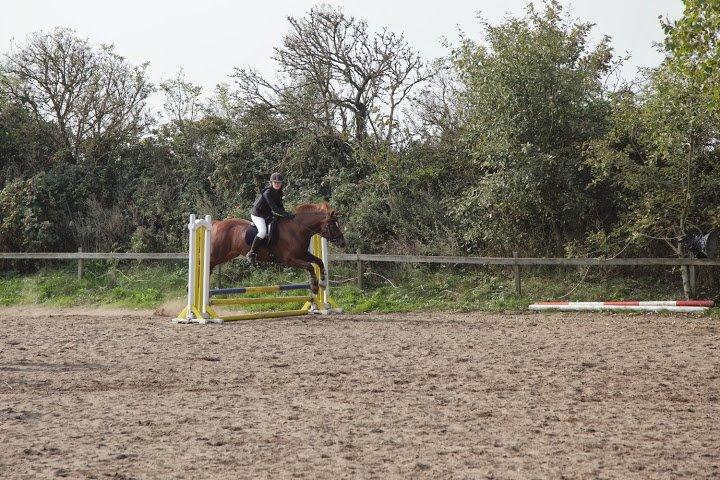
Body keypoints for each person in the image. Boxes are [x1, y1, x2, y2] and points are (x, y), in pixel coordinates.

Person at [246, 172, 292, 265]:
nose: (277, 184)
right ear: (271, 183)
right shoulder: (267, 193)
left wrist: (287, 215)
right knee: (263, 232)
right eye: (275, 182)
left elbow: (280, 206)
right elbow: (274, 208)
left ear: (281, 183)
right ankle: (251, 253)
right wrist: (285, 214)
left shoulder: (279, 192)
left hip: (266, 214)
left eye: (279, 182)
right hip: (257, 214)